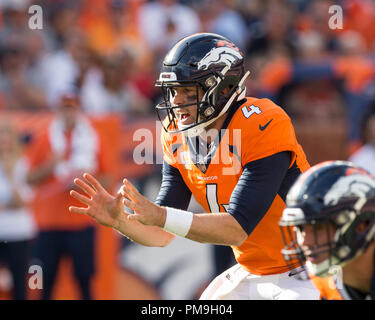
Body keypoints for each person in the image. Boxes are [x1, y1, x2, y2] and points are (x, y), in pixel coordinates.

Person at [69, 33, 319, 300]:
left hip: (309, 268)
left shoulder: (263, 123)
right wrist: (120, 221)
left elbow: (236, 228)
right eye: (174, 91)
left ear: (223, 89)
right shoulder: (176, 135)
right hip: (252, 270)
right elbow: (161, 234)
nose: (176, 101)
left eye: (188, 91)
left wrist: (160, 216)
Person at [26, 91, 105, 300]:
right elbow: (29, 178)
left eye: (72, 107)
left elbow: (108, 178)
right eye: (64, 107)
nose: (68, 112)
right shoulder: (45, 138)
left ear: (78, 110)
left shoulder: (92, 138)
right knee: (46, 283)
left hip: (81, 221)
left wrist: (85, 177)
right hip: (49, 223)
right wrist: (51, 165)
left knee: (84, 282)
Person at [279, 160, 375, 300]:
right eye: (300, 228)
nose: (305, 241)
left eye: (318, 227)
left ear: (361, 225)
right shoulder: (326, 281)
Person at [0, 120, 36, 299]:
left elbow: (22, 201)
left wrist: (9, 174)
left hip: (17, 232)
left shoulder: (23, 164)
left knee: (19, 284)